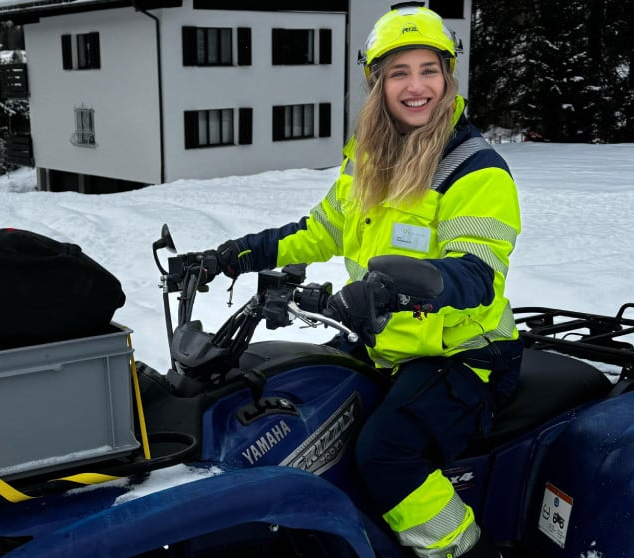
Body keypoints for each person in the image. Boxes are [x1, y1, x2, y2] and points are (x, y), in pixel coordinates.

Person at [203, 5, 522, 558]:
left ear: (447, 77)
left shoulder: (476, 171)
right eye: (399, 72)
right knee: (298, 408)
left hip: (465, 356)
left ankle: (463, 549)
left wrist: (388, 290)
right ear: (377, 83)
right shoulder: (370, 161)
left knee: (385, 454)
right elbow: (317, 231)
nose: (416, 86)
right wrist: (230, 256)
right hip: (383, 346)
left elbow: (476, 274)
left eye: (429, 69)